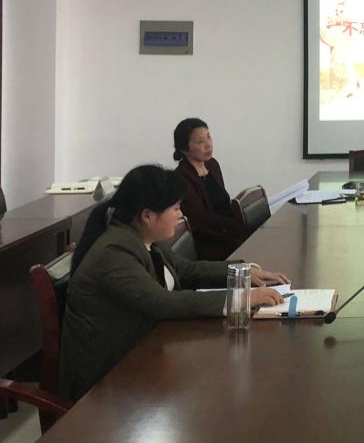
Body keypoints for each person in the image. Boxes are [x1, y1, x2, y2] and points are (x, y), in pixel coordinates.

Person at [59, 165, 289, 401]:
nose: (181, 215)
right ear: (147, 216)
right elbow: (160, 302)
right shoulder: (114, 253)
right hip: (109, 381)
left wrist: (244, 271)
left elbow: (185, 269)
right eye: (176, 208)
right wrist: (241, 299)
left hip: (148, 350)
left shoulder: (143, 236)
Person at [173, 118, 246, 260]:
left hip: (229, 231)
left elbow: (223, 204)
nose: (208, 145)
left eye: (209, 137)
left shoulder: (212, 165)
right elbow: (201, 221)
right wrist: (238, 226)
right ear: (184, 149)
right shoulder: (181, 178)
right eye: (200, 142)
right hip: (210, 243)